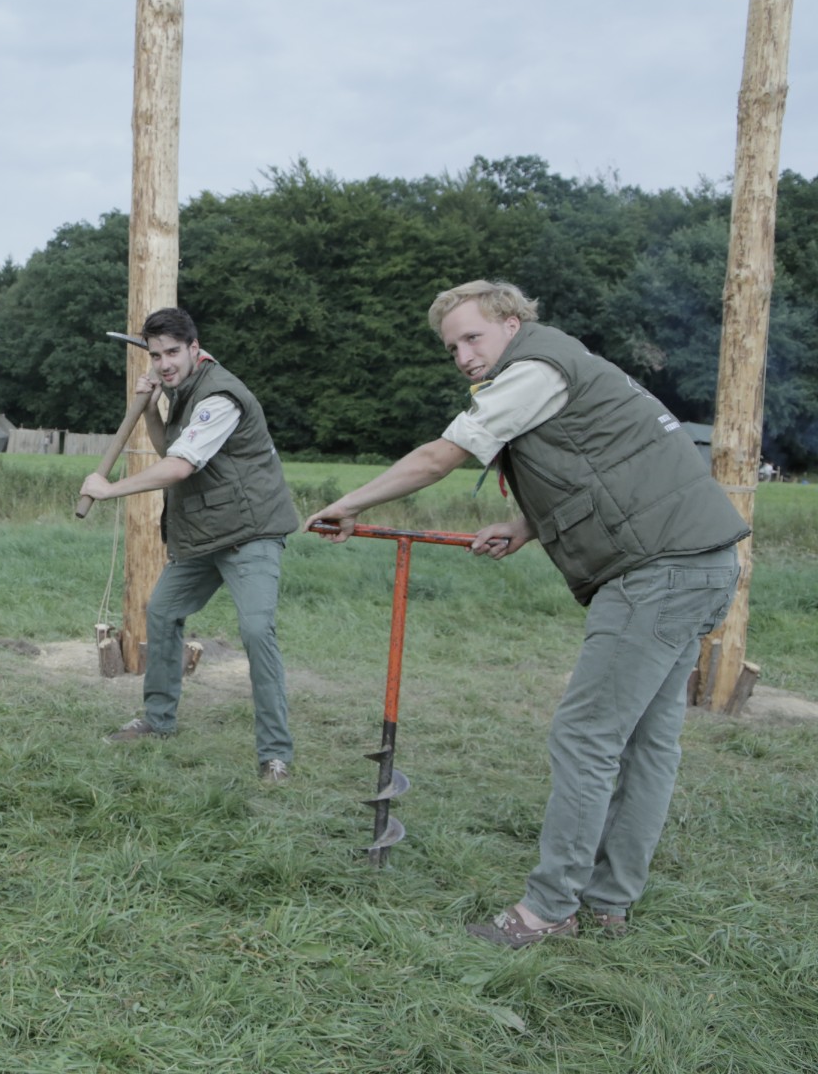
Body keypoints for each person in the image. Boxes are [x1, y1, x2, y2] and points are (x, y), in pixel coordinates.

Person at [306, 279, 746, 946]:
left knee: (586, 736)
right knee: (648, 743)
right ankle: (608, 903)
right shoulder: (565, 361)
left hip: (656, 572)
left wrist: (350, 503)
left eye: (472, 337)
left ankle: (548, 910)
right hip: (701, 561)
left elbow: (440, 457)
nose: (463, 355)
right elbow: (606, 467)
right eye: (452, 347)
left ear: (511, 323)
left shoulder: (533, 369)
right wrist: (526, 525)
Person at [79, 308, 300, 781]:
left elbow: (180, 466)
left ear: (194, 348)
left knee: (256, 630)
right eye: (156, 355)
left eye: (172, 353)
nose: (163, 363)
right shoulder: (182, 387)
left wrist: (110, 489)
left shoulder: (220, 397)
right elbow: (169, 448)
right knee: (162, 611)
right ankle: (158, 720)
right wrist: (152, 407)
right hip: (205, 532)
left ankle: (275, 754)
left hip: (250, 532)